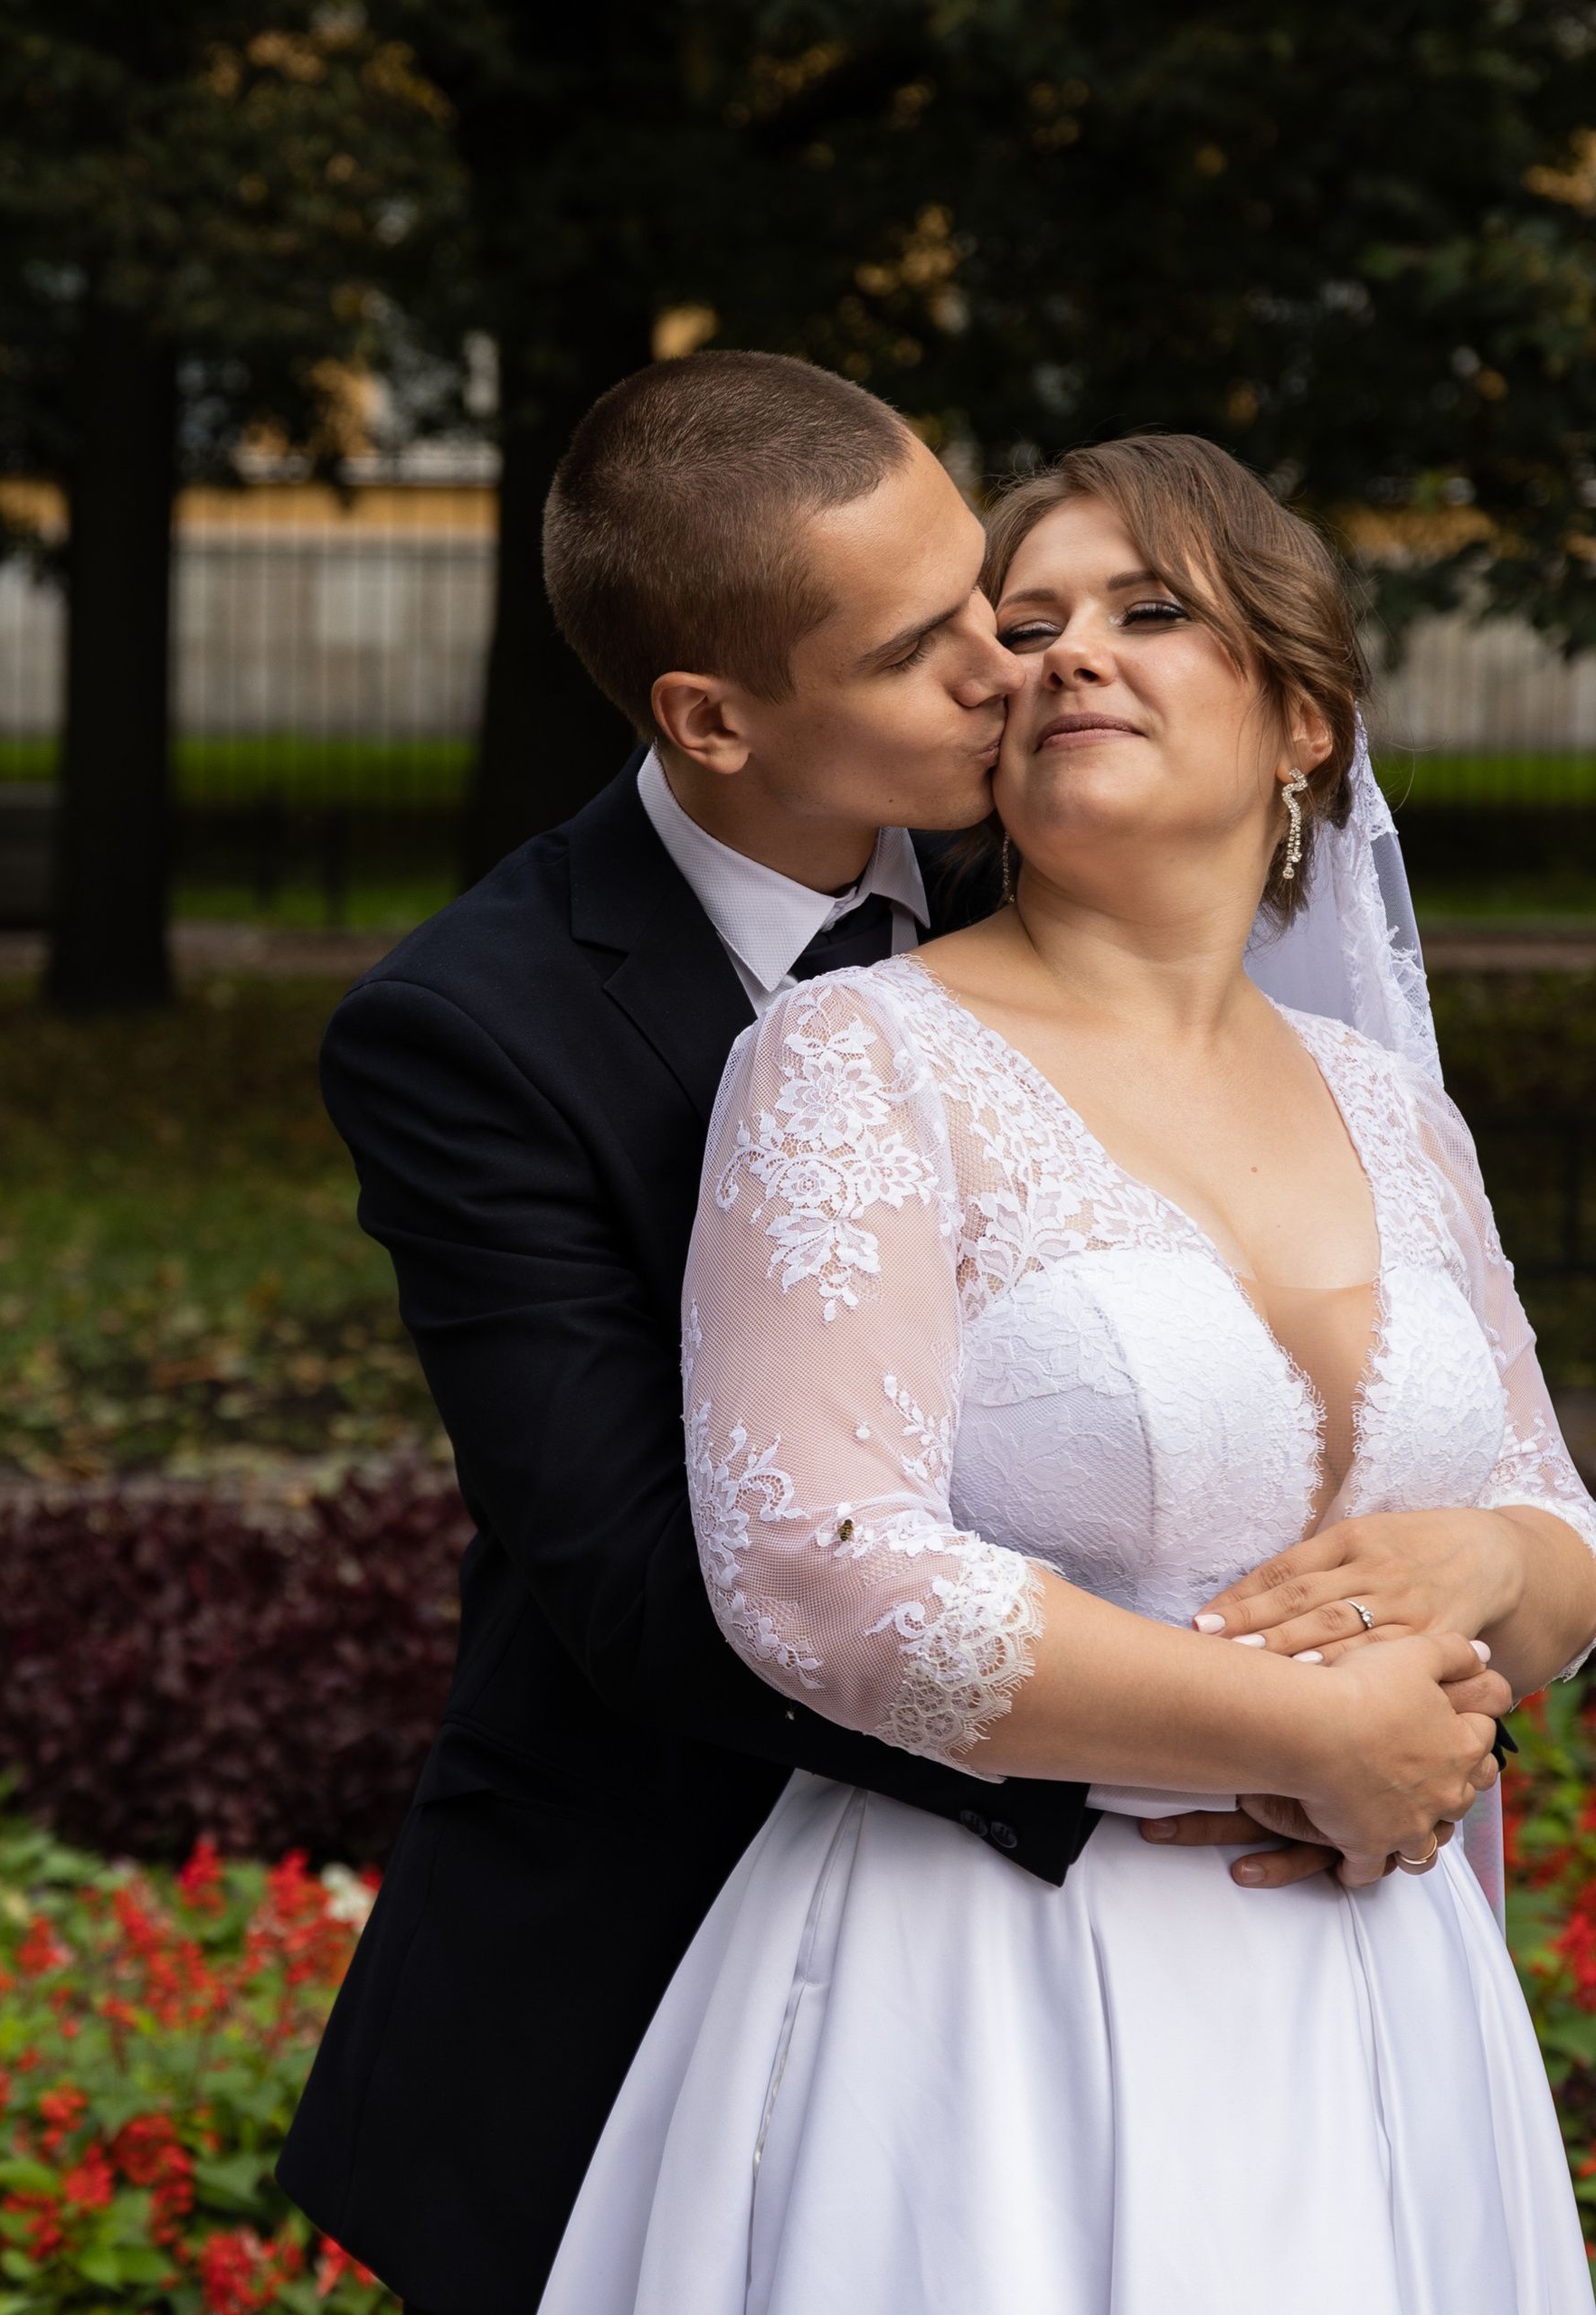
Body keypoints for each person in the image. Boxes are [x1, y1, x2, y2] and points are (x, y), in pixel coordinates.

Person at [278, 354, 1494, 2313]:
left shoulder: (1070, 840)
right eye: (931, 643)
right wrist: (1268, 1744)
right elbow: (658, 1588)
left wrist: (1464, 1586)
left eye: (988, 598)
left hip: (1272, 1956)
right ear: (714, 716)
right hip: (677, 1920)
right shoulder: (475, 1033)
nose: (1015, 666)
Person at [538, 433, 1596, 2313]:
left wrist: (1494, 1562)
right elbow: (815, 1572)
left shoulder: (1392, 1107)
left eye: (1148, 608)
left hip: (1386, 1987)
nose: (1064, 654)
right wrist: (1306, 1735)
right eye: (1023, 628)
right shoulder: (855, 1057)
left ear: (1302, 721)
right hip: (1000, 1993)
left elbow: (1558, 1527)